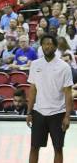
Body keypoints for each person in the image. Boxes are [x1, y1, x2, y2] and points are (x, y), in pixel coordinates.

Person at [27, 34, 73, 163]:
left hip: (58, 113)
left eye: (50, 44)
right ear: (41, 46)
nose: (48, 46)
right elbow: (32, 89)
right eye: (45, 44)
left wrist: (67, 116)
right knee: (34, 147)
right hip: (38, 112)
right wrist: (29, 112)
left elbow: (68, 93)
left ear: (56, 46)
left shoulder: (64, 67)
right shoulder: (35, 64)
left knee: (58, 149)